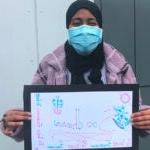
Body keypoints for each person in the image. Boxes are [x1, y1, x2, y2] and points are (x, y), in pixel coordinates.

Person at [1, 0, 150, 142]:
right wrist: (13, 123)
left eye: (91, 23)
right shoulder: (49, 66)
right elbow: (35, 115)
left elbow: (134, 112)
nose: (84, 29)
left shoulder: (119, 65)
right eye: (77, 23)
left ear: (100, 28)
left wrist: (146, 118)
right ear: (68, 28)